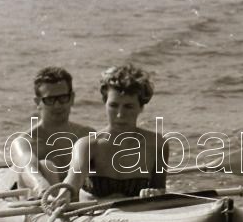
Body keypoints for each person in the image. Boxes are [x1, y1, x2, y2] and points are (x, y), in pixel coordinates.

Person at [60, 63, 168, 202]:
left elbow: (161, 190)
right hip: (94, 216)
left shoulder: (158, 144)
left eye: (128, 106)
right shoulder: (87, 145)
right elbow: (73, 179)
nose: (119, 115)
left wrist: (154, 193)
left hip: (137, 217)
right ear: (105, 103)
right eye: (113, 105)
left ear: (141, 107)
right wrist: (64, 193)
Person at [10, 66, 94, 195]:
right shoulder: (23, 142)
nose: (57, 105)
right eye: (50, 100)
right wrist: (40, 185)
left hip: (78, 203)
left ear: (72, 98)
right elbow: (27, 165)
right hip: (42, 201)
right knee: (46, 166)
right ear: (38, 102)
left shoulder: (87, 135)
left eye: (63, 98)